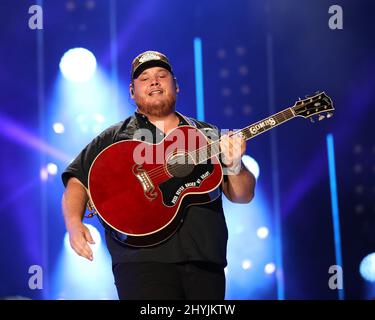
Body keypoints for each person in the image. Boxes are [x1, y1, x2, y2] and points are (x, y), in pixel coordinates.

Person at [61, 50, 256, 300]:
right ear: (132, 92)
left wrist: (235, 164)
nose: (154, 81)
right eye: (144, 78)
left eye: (161, 75)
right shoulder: (112, 138)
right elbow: (77, 181)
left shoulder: (208, 135)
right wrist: (74, 224)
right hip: (140, 260)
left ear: (175, 86)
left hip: (205, 259)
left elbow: (242, 196)